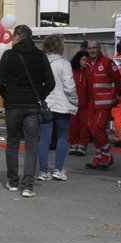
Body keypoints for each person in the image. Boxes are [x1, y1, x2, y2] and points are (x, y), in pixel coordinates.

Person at [0, 24, 55, 197]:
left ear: (18, 36)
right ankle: (27, 186)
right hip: (32, 106)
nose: (12, 38)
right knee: (31, 145)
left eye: (13, 36)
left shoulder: (8, 55)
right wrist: (39, 96)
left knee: (12, 143)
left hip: (13, 105)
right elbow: (50, 82)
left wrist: (9, 96)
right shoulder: (40, 56)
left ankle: (12, 181)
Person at [36, 34, 79, 182]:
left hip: (45, 103)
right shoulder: (64, 63)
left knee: (44, 138)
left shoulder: (40, 62)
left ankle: (42, 171)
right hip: (62, 104)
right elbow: (69, 86)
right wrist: (75, 101)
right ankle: (58, 169)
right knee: (62, 137)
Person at [78, 41, 121, 168]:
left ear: (99, 48)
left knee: (98, 128)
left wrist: (116, 96)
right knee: (93, 130)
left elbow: (118, 80)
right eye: (90, 48)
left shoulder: (107, 63)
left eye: (94, 48)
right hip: (89, 103)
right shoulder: (86, 63)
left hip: (103, 103)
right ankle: (98, 156)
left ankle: (107, 154)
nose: (92, 50)